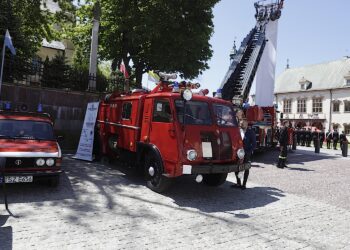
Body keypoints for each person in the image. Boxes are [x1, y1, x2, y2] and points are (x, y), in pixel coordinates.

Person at [232, 120, 256, 189]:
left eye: (242, 124)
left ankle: (244, 184)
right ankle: (238, 183)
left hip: (246, 153)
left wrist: (248, 151)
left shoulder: (251, 132)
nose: (241, 125)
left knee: (246, 168)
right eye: (240, 123)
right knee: (236, 168)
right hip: (238, 153)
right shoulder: (238, 131)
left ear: (247, 124)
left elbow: (254, 144)